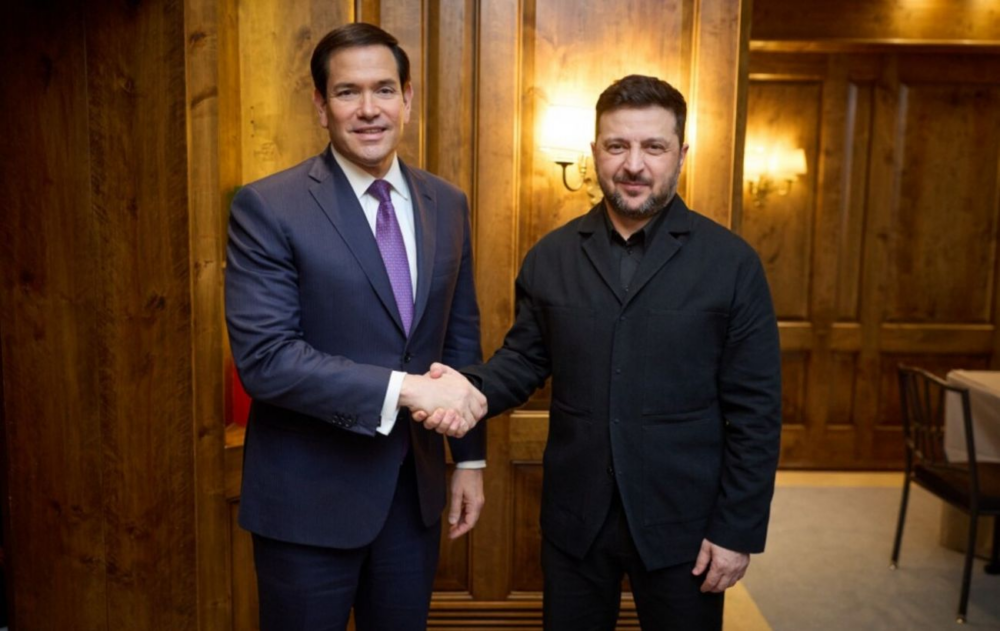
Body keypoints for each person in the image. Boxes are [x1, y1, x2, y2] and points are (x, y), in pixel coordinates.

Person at [421, 74, 782, 630]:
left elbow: (756, 412)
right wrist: (470, 390)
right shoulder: (551, 256)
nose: (634, 165)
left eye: (653, 147)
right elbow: (523, 361)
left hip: (684, 525)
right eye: (617, 146)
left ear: (681, 154)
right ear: (594, 152)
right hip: (576, 522)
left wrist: (736, 530)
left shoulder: (732, 264)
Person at [224, 22, 487, 631]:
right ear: (321, 106)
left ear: (407, 98)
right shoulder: (269, 206)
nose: (369, 109)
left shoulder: (447, 203)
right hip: (307, 505)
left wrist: (469, 460)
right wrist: (407, 390)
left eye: (384, 89)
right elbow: (267, 360)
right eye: (348, 92)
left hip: (413, 498)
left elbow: (459, 336)